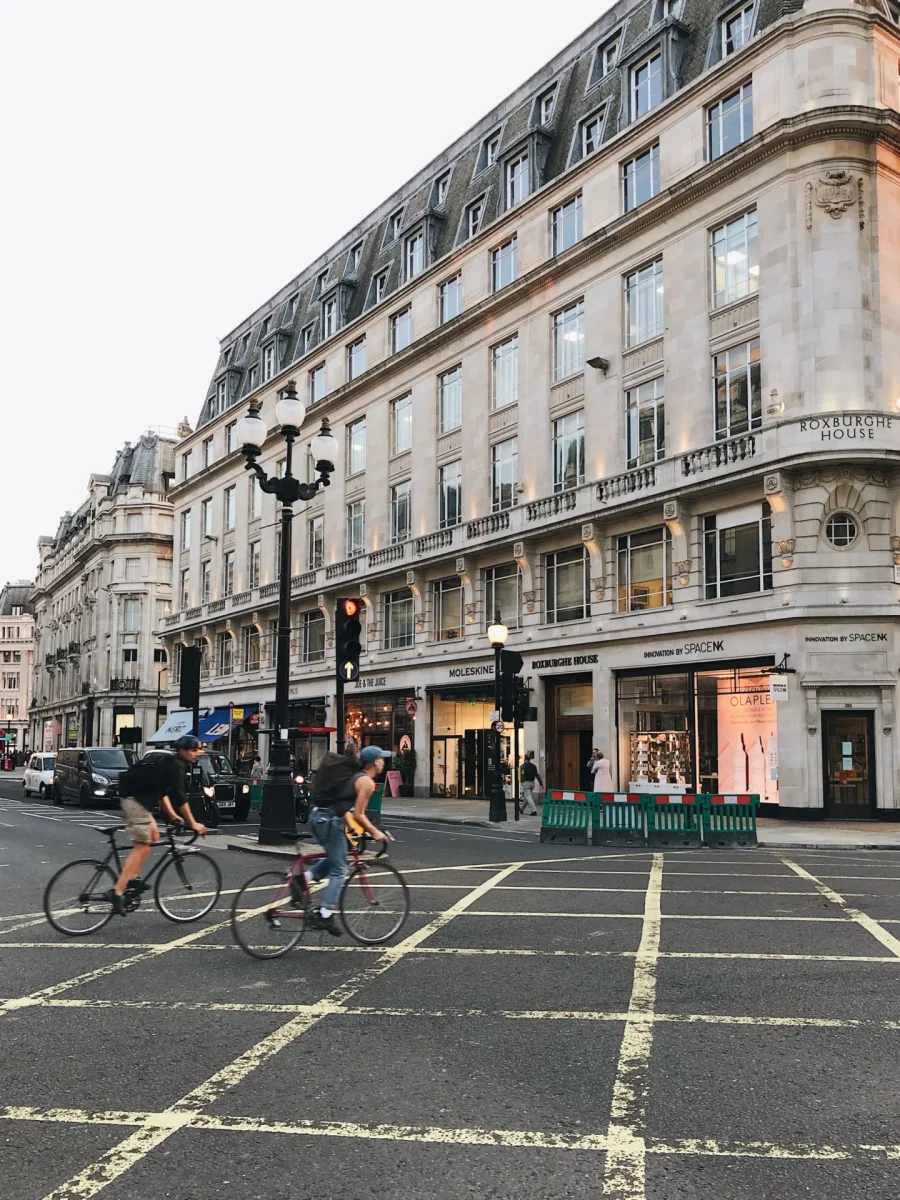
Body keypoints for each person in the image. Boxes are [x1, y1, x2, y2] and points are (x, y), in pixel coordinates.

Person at [105, 735, 207, 916]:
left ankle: (132, 879)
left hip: (137, 798)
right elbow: (179, 796)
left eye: (197, 751)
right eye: (193, 750)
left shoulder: (169, 763)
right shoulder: (176, 766)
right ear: (182, 751)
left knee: (153, 836)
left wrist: (174, 816)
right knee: (142, 847)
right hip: (134, 800)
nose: (195, 754)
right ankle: (118, 891)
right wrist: (193, 823)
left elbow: (161, 792)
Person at [303, 745, 389, 936]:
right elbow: (359, 814)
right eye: (382, 758)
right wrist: (375, 832)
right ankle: (325, 913)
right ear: (375, 762)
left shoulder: (350, 777)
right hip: (328, 821)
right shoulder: (366, 782)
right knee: (340, 868)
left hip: (318, 817)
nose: (384, 762)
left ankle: (305, 879)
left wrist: (349, 826)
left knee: (336, 857)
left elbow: (340, 804)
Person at [519, 751, 542, 815]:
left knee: (528, 796)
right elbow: (537, 775)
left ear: (525, 759)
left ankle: (534, 810)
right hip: (532, 783)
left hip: (526, 782)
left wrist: (521, 781)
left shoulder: (523, 766)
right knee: (527, 796)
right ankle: (522, 808)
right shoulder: (534, 766)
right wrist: (541, 783)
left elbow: (521, 775)